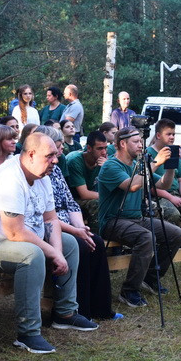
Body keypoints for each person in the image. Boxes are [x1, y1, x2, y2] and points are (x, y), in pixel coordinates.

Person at [0, 133, 98, 354]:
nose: (55, 160)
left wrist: (57, 252)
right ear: (31, 154)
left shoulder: (42, 175)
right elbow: (15, 232)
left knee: (69, 243)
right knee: (31, 255)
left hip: (13, 239)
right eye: (50, 155)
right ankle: (28, 333)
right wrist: (52, 253)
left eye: (56, 155)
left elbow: (51, 219)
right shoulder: (10, 178)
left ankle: (65, 313)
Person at [36, 125, 120, 320]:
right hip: (50, 227)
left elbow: (71, 203)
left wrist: (81, 227)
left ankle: (101, 309)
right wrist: (75, 231)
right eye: (56, 148)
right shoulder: (38, 174)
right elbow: (45, 217)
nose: (60, 152)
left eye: (59, 147)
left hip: (68, 223)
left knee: (95, 242)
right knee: (80, 245)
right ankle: (80, 311)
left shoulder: (56, 170)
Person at [99, 127, 181, 308]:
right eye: (136, 142)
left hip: (136, 218)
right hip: (113, 220)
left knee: (174, 234)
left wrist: (170, 167)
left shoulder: (138, 166)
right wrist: (156, 162)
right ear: (122, 143)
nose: (140, 145)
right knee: (146, 237)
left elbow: (163, 185)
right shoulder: (111, 166)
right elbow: (132, 186)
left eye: (141, 141)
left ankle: (150, 278)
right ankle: (129, 291)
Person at [65, 131, 107, 228]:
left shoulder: (104, 162)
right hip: (73, 201)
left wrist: (108, 168)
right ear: (89, 148)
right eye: (99, 148)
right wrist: (108, 196)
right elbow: (84, 194)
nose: (104, 152)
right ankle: (95, 235)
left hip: (92, 196)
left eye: (105, 148)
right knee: (96, 204)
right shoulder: (75, 161)